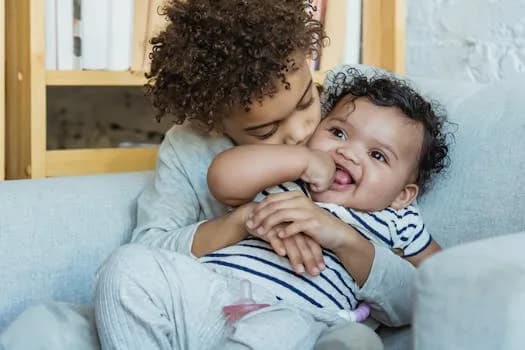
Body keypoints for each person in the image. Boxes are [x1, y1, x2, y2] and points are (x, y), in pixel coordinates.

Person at [94, 1, 419, 349]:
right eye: (266, 131)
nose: (299, 132)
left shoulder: (344, 130)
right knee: (123, 268)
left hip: (302, 316)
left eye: (308, 101)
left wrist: (344, 238)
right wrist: (243, 222)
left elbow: (426, 283)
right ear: (213, 122)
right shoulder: (189, 148)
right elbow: (150, 247)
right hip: (214, 295)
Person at [205, 68, 448, 317]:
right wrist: (303, 160)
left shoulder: (397, 220)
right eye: (338, 133)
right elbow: (223, 179)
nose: (348, 152)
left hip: (290, 316)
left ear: (402, 195)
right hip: (211, 283)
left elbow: (447, 279)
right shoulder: (289, 175)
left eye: (377, 155)